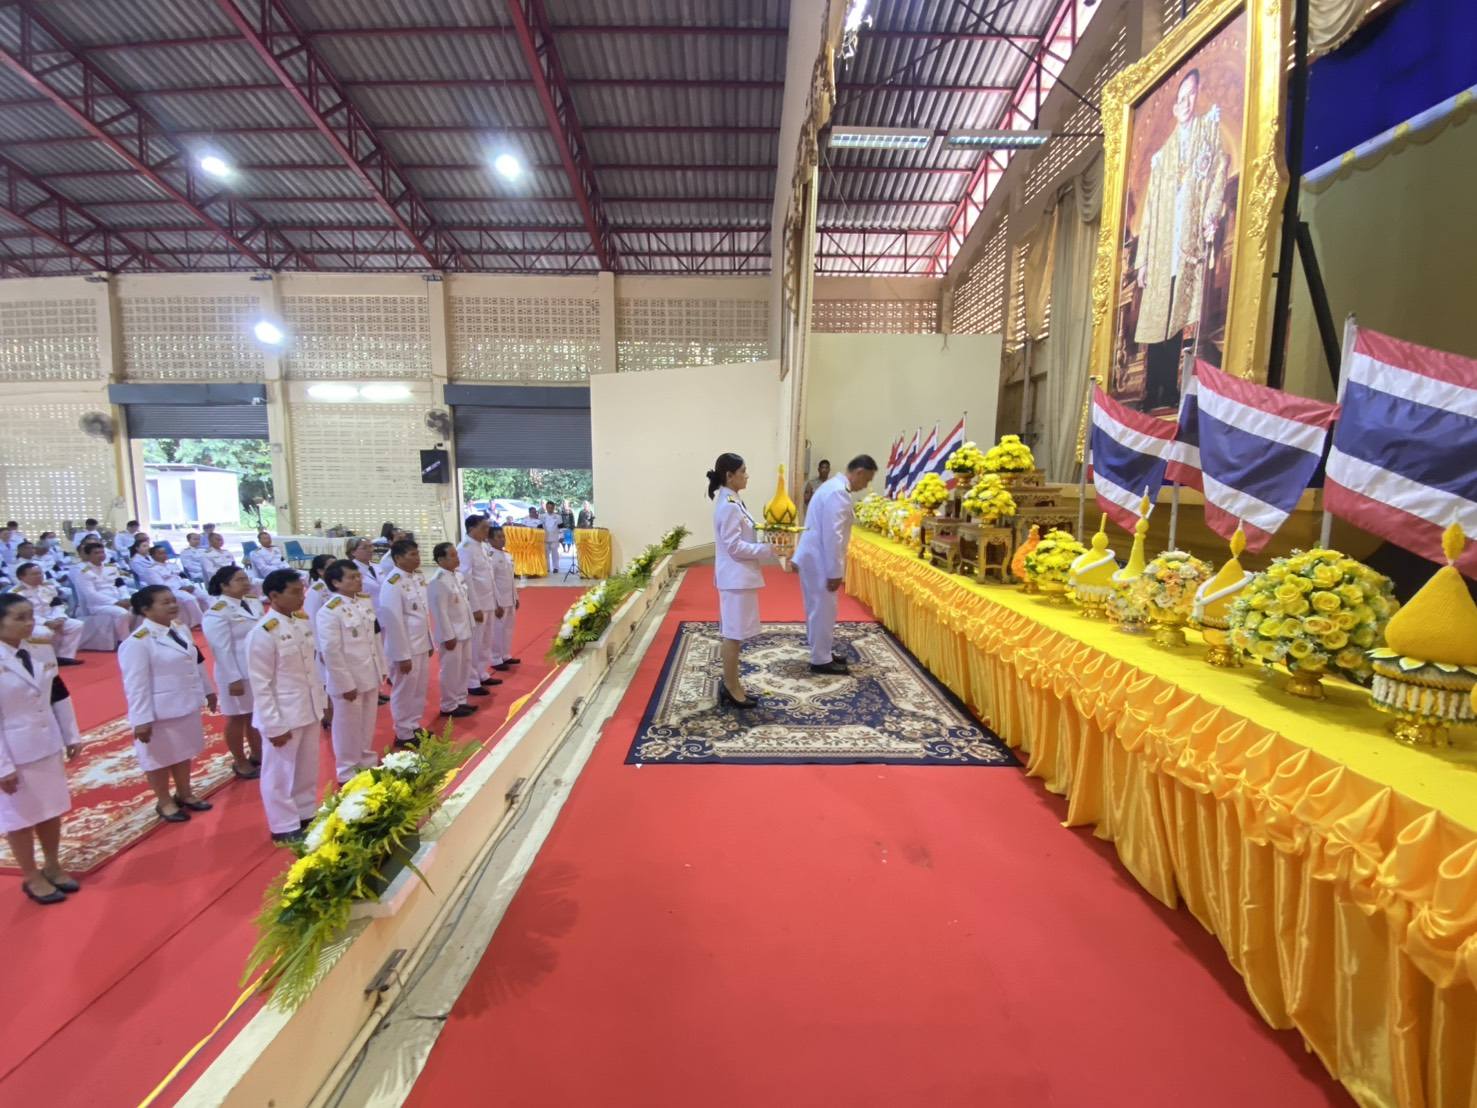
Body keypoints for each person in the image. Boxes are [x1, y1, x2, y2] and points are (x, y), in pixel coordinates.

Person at [1132, 67, 1230, 412]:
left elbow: (1218, 172)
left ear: (1197, 97)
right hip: (1162, 246)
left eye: (1192, 95)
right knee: (1158, 314)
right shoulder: (1163, 155)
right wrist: (1143, 260)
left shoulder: (1207, 133)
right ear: (1175, 106)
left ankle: (1169, 387)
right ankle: (1153, 386)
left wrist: (1210, 215)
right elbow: (1149, 210)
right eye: (1181, 97)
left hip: (1186, 242)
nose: (1187, 102)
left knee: (1176, 315)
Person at [0, 593, 83, 905]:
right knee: (20, 818)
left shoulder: (39, 648)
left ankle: (52, 864)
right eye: (19, 618)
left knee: (50, 808)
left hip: (46, 742)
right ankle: (31, 875)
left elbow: (57, 693)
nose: (28, 623)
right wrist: (2, 766)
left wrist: (71, 734)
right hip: (13, 751)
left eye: (30, 616)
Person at [119, 585, 217, 824]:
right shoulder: (138, 642)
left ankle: (185, 793)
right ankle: (164, 801)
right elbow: (136, 684)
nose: (173, 605)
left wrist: (207, 690)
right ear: (146, 609)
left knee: (184, 750)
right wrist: (141, 719)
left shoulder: (179, 628)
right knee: (158, 758)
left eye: (173, 600)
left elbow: (195, 661)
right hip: (159, 710)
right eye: (165, 602)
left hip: (185, 702)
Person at [247, 569, 329, 843]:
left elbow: (311, 668)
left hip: (308, 707)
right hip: (283, 713)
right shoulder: (263, 632)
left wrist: (321, 703)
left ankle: (305, 812)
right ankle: (283, 824)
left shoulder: (301, 622)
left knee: (306, 767)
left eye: (301, 591)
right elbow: (261, 684)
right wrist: (273, 724)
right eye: (294, 592)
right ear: (274, 596)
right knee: (279, 773)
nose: (301, 597)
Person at [707, 453, 781, 709]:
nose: (747, 476)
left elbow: (746, 532)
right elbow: (734, 546)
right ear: (730, 476)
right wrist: (767, 550)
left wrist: (769, 533)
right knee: (733, 635)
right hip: (735, 579)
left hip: (739, 578)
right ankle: (731, 687)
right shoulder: (728, 505)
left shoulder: (733, 500)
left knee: (735, 634)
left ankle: (732, 683)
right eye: (743, 471)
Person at [793, 454, 877, 675]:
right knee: (823, 610)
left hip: (815, 556)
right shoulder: (838, 492)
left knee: (818, 608)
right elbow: (833, 536)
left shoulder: (833, 487)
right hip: (820, 559)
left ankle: (821, 651)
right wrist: (835, 571)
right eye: (867, 480)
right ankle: (820, 660)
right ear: (859, 472)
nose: (866, 485)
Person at [314, 560, 384, 784]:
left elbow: (374, 639)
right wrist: (345, 684)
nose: (358, 580)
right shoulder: (329, 611)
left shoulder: (362, 602)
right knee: (347, 726)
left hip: (368, 671)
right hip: (348, 678)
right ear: (336, 582)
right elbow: (331, 651)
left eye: (358, 576)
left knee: (366, 722)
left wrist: (381, 668)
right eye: (351, 577)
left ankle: (366, 760)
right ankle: (347, 770)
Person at [202, 566, 262, 779]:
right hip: (236, 672)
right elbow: (220, 648)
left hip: (256, 668)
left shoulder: (253, 603)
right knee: (237, 717)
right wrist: (232, 678)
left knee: (255, 714)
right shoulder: (217, 611)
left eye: (246, 578)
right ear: (224, 586)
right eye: (239, 580)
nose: (245, 583)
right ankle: (240, 761)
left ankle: (258, 753)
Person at [375, 538, 432, 748]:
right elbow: (393, 622)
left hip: (420, 643)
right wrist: (401, 655)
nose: (417, 558)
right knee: (404, 690)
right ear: (398, 558)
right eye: (412, 555)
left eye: (417, 554)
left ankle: (413, 725)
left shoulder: (416, 577)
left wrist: (429, 641)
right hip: (405, 648)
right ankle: (403, 732)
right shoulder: (393, 583)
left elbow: (421, 614)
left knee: (418, 689)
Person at [427, 543, 478, 719]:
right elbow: (439, 612)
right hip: (452, 634)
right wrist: (448, 636)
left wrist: (470, 624)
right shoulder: (438, 581)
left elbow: (464, 602)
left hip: (464, 629)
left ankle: (461, 700)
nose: (457, 558)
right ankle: (448, 705)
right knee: (450, 670)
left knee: (464, 667)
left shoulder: (457, 575)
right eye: (453, 555)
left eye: (457, 554)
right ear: (441, 559)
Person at [10, 563, 83, 665]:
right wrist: (46, 622)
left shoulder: (48, 586)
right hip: (32, 622)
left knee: (76, 625)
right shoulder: (16, 593)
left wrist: (60, 618)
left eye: (40, 573)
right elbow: (23, 615)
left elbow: (57, 604)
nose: (39, 576)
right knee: (44, 632)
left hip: (53, 618)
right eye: (34, 574)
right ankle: (44, 661)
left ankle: (64, 657)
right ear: (21, 577)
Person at [456, 516, 497, 695]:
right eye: (483, 528)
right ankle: (472, 680)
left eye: (488, 527)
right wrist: (474, 607)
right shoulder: (465, 548)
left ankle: (481, 672)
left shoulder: (483, 546)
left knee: (486, 640)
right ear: (472, 528)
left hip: (488, 600)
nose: (487, 531)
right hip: (478, 602)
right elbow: (466, 578)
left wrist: (495, 600)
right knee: (475, 643)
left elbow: (489, 576)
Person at [72, 541, 133, 645]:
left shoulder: (111, 567)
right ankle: (124, 641)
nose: (100, 555)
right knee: (122, 613)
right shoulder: (84, 573)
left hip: (119, 599)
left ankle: (138, 638)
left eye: (102, 552)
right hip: (99, 605)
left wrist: (125, 597)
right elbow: (91, 594)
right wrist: (115, 602)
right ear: (88, 555)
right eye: (96, 553)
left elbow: (120, 584)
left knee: (139, 609)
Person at [138, 544, 204, 628]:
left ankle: (211, 616)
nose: (164, 555)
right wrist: (180, 588)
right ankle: (198, 622)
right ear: (153, 556)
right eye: (160, 553)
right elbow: (160, 586)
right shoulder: (151, 570)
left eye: (164, 553)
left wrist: (189, 585)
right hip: (170, 591)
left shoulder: (172, 565)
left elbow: (182, 577)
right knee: (190, 599)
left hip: (184, 587)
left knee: (204, 595)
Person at [487, 526, 521, 672]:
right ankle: (495, 658)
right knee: (498, 630)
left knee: (508, 628)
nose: (502, 539)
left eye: (503, 536)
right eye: (498, 537)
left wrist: (516, 597)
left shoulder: (506, 555)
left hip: (509, 598)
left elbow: (511, 580)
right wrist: (495, 603)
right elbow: (491, 582)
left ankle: (505, 654)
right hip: (499, 600)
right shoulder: (490, 557)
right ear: (490, 539)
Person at [304, 554, 336, 619]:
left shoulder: (334, 586)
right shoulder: (316, 590)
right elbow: (311, 615)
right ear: (320, 571)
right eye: (332, 567)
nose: (338, 570)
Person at [539, 501, 561, 574]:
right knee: (546, 554)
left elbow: (561, 527)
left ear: (554, 508)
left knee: (555, 554)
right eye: (548, 507)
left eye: (551, 507)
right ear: (546, 507)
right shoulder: (542, 516)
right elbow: (539, 527)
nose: (550, 509)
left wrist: (562, 536)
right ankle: (547, 568)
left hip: (554, 537)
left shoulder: (558, 517)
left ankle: (556, 567)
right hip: (545, 537)